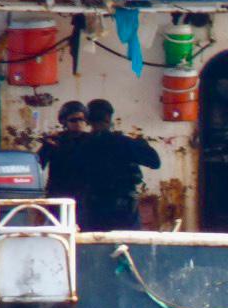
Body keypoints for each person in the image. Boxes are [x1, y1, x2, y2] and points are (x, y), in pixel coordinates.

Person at [78, 98, 161, 232]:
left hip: (92, 209)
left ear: (87, 120)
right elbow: (155, 162)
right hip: (122, 209)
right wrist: (142, 143)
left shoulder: (81, 145)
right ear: (109, 119)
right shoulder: (124, 142)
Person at [37, 100, 90, 202]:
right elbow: (38, 165)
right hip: (59, 193)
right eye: (73, 120)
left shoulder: (91, 140)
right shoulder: (54, 140)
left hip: (84, 195)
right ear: (64, 121)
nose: (78, 123)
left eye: (81, 119)